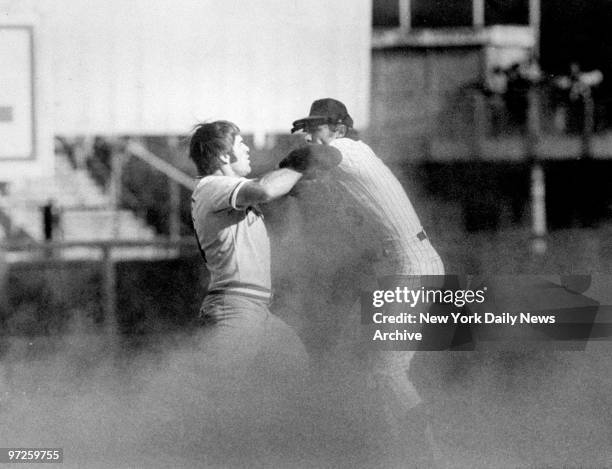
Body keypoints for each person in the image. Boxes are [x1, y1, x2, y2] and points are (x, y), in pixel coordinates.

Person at [287, 98, 446, 466]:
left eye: (317, 128)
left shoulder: (349, 151)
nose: (311, 134)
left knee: (388, 370)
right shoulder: (344, 166)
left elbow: (310, 161)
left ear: (339, 130)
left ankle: (427, 458)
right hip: (400, 268)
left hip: (412, 265)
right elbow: (308, 187)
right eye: (307, 128)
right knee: (364, 365)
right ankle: (389, 452)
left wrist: (280, 171)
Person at [189, 120, 341, 377]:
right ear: (225, 155)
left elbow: (268, 186)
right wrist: (301, 163)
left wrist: (297, 178)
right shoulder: (211, 186)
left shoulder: (227, 190)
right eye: (241, 143)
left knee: (297, 373)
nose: (247, 149)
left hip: (254, 308)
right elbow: (265, 189)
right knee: (220, 397)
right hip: (235, 306)